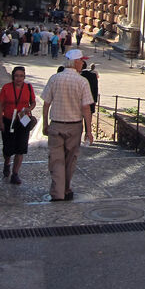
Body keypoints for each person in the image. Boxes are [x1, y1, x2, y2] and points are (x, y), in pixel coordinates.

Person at [41, 49, 94, 202]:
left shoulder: (54, 78)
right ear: (76, 62)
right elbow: (86, 108)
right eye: (81, 60)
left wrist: (45, 123)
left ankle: (58, 192)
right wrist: (89, 131)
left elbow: (46, 104)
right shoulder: (82, 81)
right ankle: (65, 189)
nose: (83, 63)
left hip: (56, 124)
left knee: (56, 160)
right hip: (74, 126)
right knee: (70, 160)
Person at [0, 66, 36, 184]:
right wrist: (0, 122)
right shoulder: (6, 88)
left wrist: (28, 109)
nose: (19, 78)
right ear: (13, 77)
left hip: (23, 120)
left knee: (21, 148)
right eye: (16, 76)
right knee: (8, 148)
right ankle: (7, 163)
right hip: (9, 120)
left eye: (21, 76)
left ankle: (15, 173)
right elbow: (0, 106)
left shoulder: (28, 87)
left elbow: (33, 102)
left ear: (24, 77)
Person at [80, 61, 99, 136]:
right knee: (88, 119)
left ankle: (79, 135)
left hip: (79, 101)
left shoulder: (78, 75)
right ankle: (87, 135)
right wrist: (95, 100)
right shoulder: (93, 75)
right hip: (90, 101)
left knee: (78, 120)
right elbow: (95, 89)